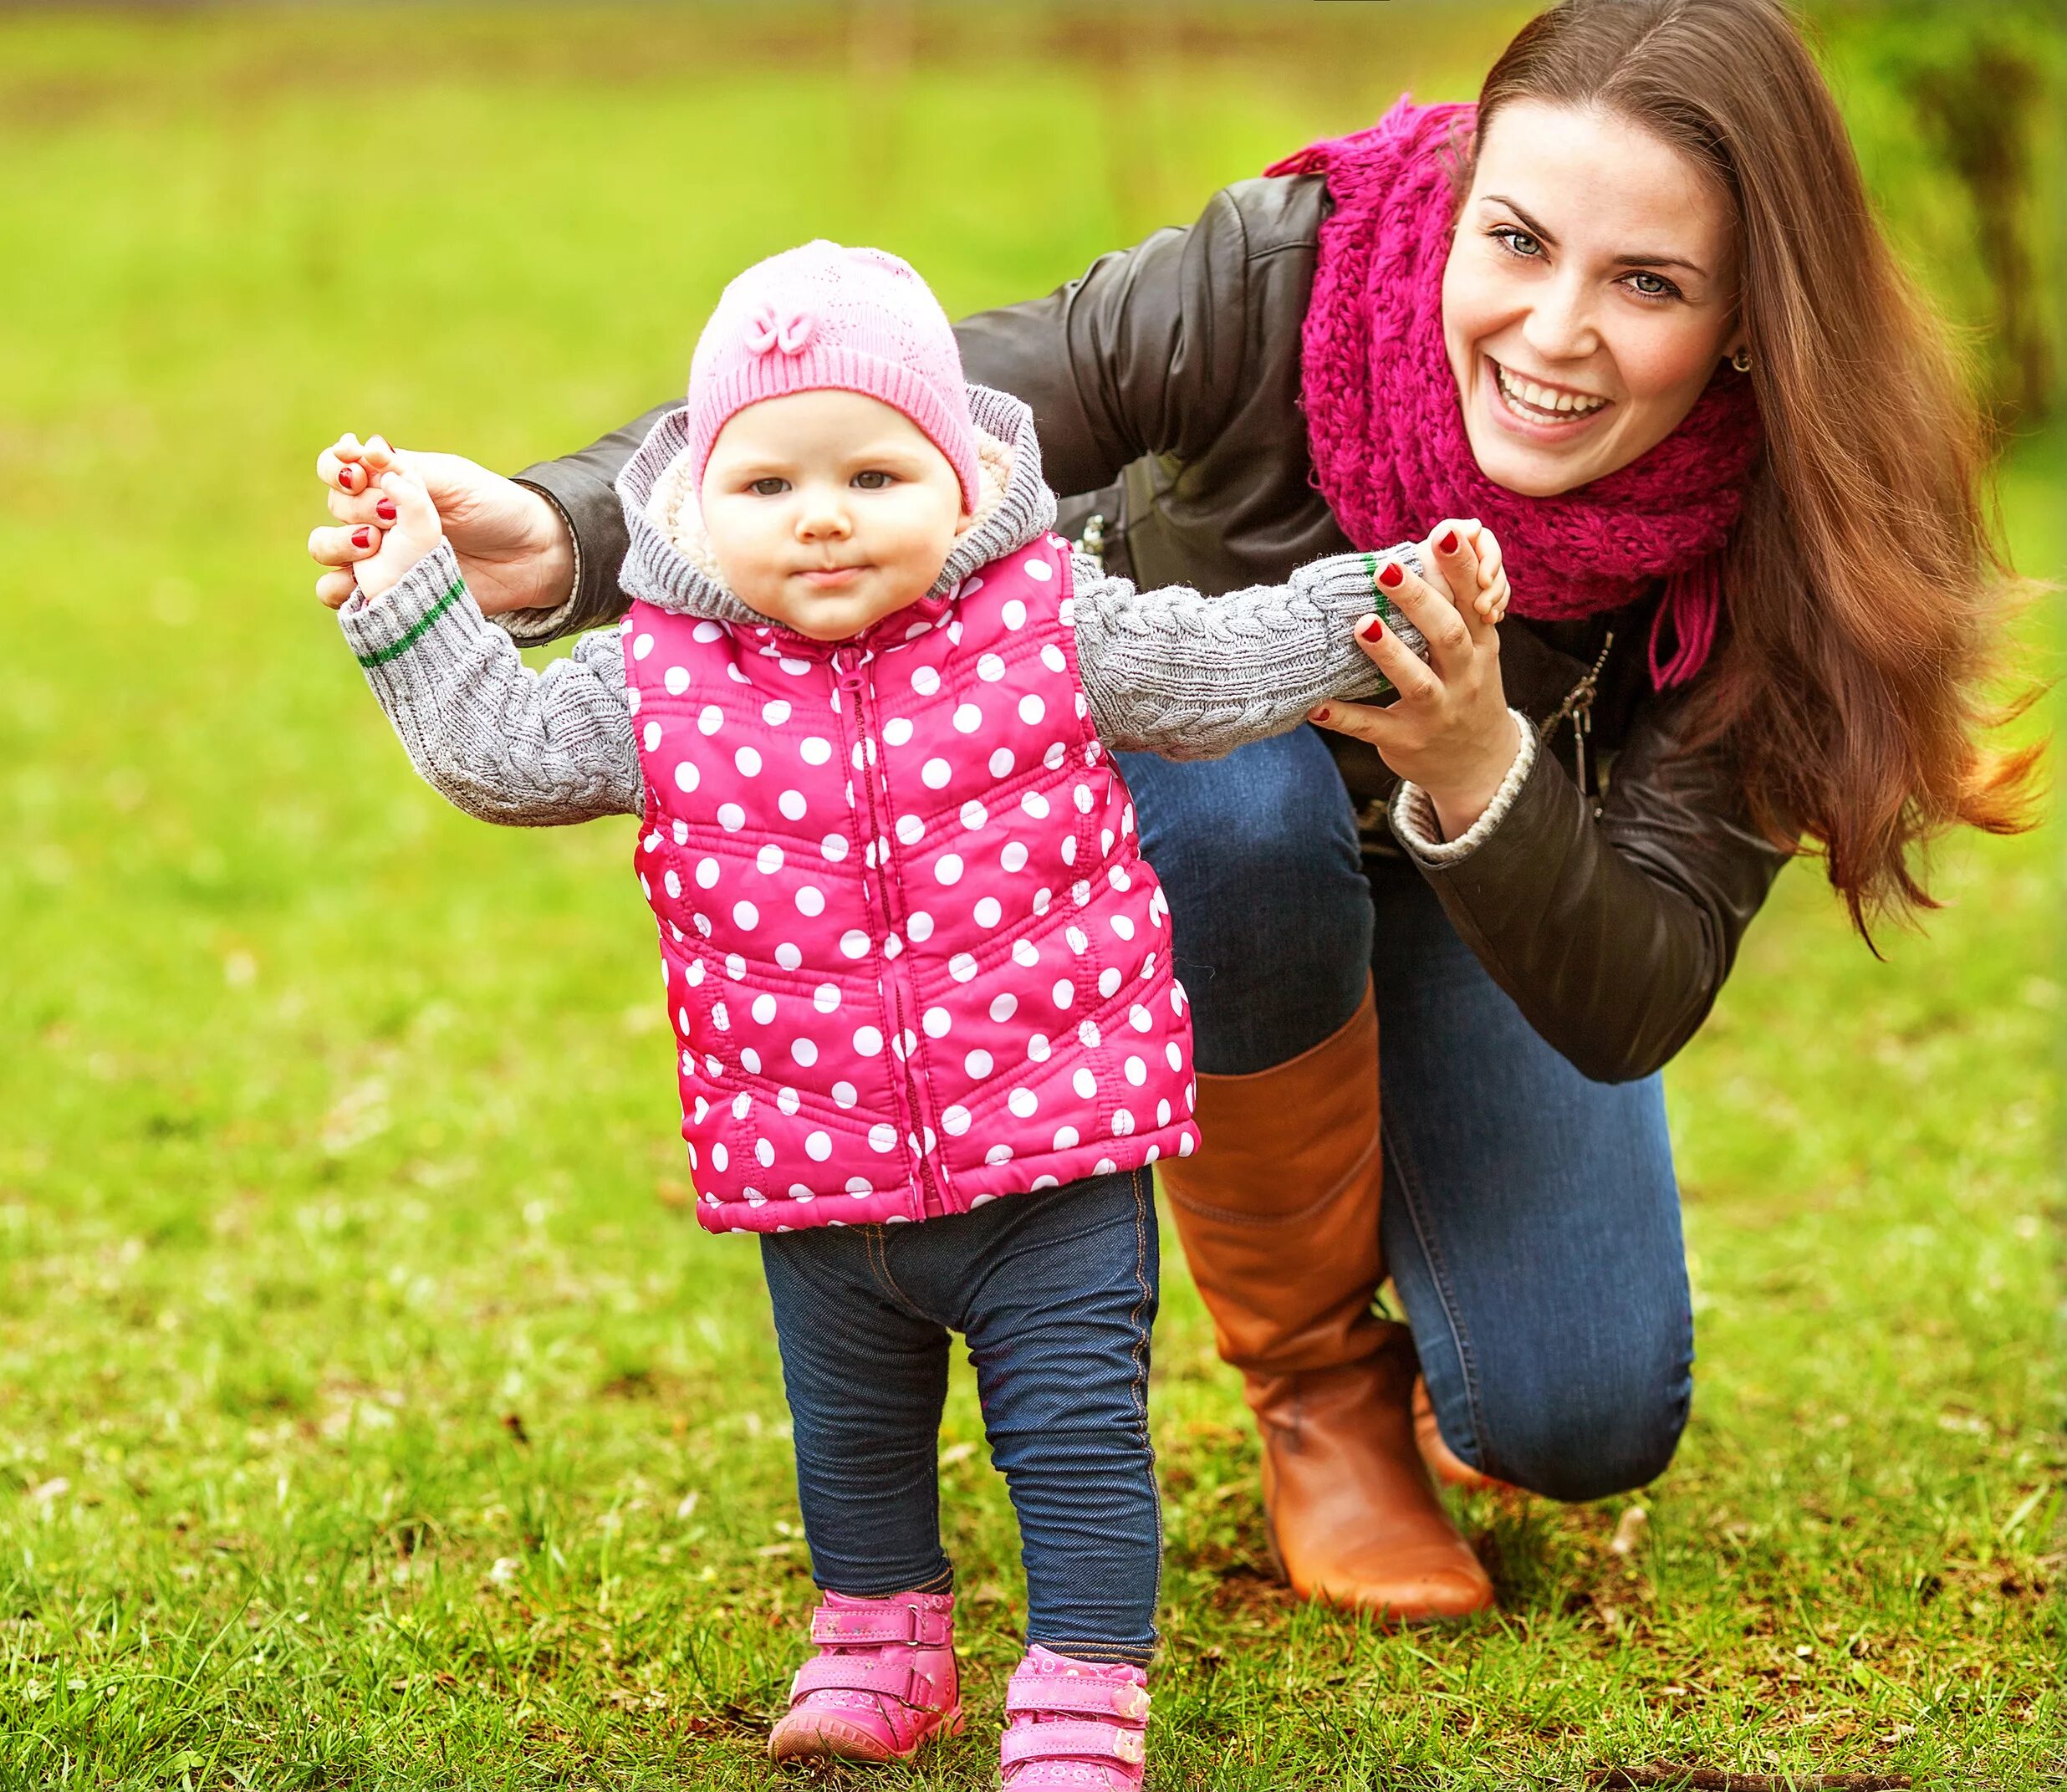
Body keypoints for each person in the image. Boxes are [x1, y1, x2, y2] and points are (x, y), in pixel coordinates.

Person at [309, 0, 2038, 1624]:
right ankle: (1315, 1390)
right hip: (1185, 819)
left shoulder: (1789, 532)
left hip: (1487, 872)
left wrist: (1470, 762)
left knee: (1579, 1419)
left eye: (1648, 281)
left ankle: (1454, 1317)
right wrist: (563, 533)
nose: (1554, 330)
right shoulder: (1294, 273)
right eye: (1514, 240)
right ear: (1457, 202)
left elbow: (1640, 987)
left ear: (1752, 317)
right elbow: (937, 403)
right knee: (1239, 810)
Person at [308, 240, 1501, 1779]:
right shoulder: (663, 680)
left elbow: (1212, 666)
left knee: (1073, 1441)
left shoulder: (1046, 626)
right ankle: (880, 1641)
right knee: (853, 1445)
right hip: (813, 1165)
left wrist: (1391, 593)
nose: (820, 516)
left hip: (1055, 1151)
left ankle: (1083, 1691)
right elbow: (501, 750)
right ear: (691, 504)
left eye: (875, 472)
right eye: (767, 485)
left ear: (962, 475)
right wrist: (410, 583)